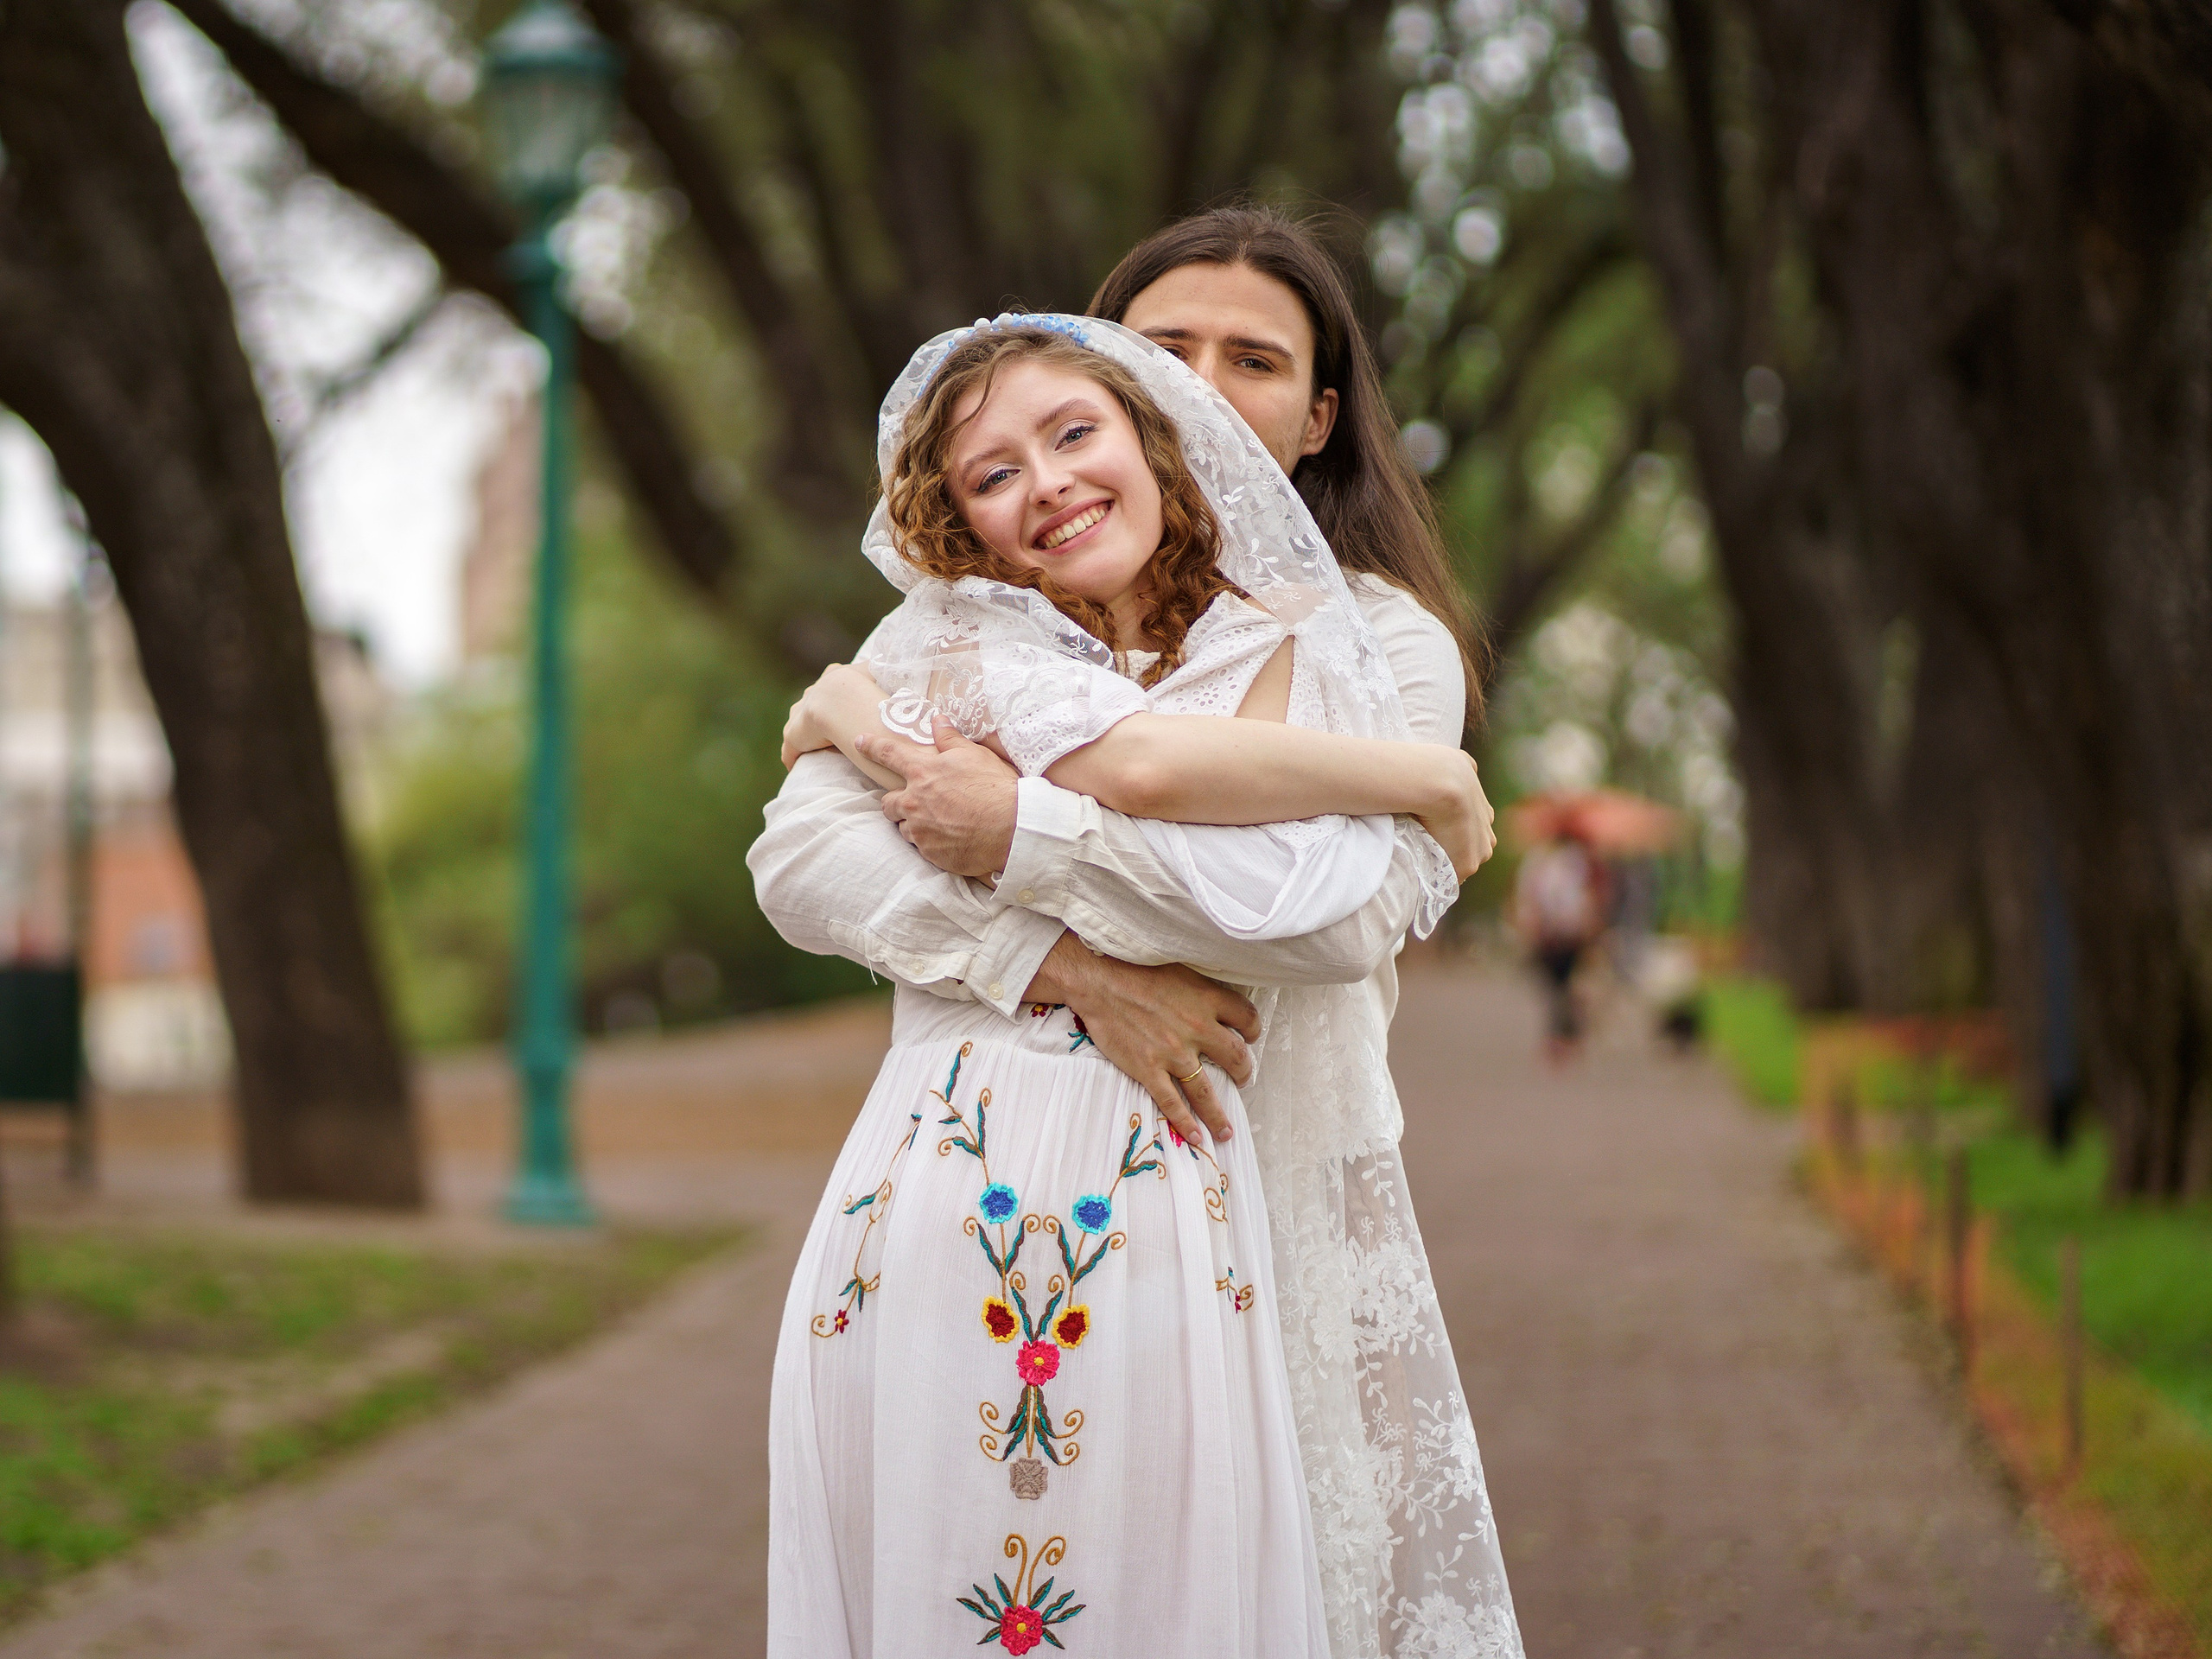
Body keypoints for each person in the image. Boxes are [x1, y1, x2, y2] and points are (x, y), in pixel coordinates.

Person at [752, 207, 1524, 1659]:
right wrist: (1063, 967)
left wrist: (1016, 830)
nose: (1208, 383)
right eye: (1168, 349)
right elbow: (805, 853)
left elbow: (1340, 913)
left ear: (1317, 417)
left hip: (1267, 1196)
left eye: (1257, 358)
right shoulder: (977, 622)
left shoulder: (1372, 642)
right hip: (970, 1208)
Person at [1512, 833, 1609, 1060]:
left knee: (1566, 986)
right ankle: (1562, 1034)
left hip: (1570, 933)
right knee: (1557, 986)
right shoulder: (1542, 861)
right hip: (1552, 934)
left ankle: (1565, 1034)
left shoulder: (1578, 862)